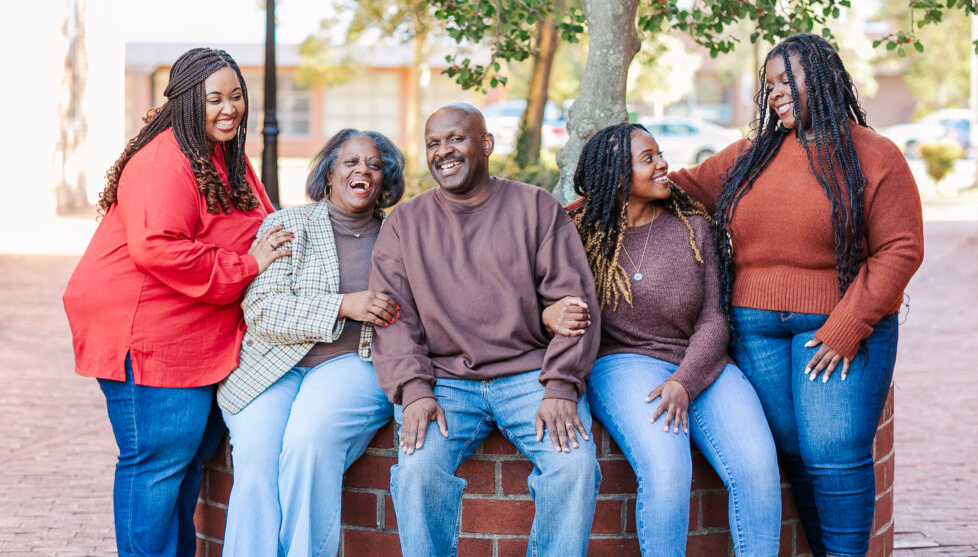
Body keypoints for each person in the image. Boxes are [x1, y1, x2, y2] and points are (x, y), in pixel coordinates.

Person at [669, 33, 925, 557]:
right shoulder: (749, 155)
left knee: (832, 453)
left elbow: (900, 250)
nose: (776, 94)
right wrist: (564, 213)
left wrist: (847, 325)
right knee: (794, 451)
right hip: (755, 328)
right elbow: (676, 186)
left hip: (833, 327)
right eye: (769, 86)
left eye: (787, 80)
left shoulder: (875, 155)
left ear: (825, 77)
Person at [62, 48, 290, 557]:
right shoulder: (164, 161)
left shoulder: (224, 155)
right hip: (144, 328)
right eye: (214, 99)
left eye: (236, 96)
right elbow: (158, 247)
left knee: (186, 461)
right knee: (159, 460)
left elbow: (263, 218)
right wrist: (248, 266)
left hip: (191, 326)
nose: (228, 108)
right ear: (187, 102)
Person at [369, 103, 602, 557]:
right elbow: (394, 319)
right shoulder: (405, 224)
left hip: (529, 378)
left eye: (455, 138)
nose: (444, 152)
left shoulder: (534, 207)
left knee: (574, 465)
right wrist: (414, 390)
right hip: (445, 383)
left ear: (486, 144)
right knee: (417, 473)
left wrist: (560, 385)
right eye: (433, 143)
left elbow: (574, 305)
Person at [560, 122, 782, 556]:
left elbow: (716, 319)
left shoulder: (694, 226)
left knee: (757, 467)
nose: (664, 164)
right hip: (622, 363)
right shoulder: (579, 232)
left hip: (702, 361)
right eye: (649, 159)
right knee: (667, 467)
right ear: (617, 175)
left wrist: (686, 380)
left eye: (659, 154)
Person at [217, 129, 404, 557]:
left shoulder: (400, 235)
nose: (363, 171)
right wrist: (344, 305)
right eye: (351, 162)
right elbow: (263, 310)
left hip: (354, 364)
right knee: (257, 458)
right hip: (273, 364)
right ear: (329, 173)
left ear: (386, 179)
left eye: (374, 165)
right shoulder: (286, 225)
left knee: (308, 444)